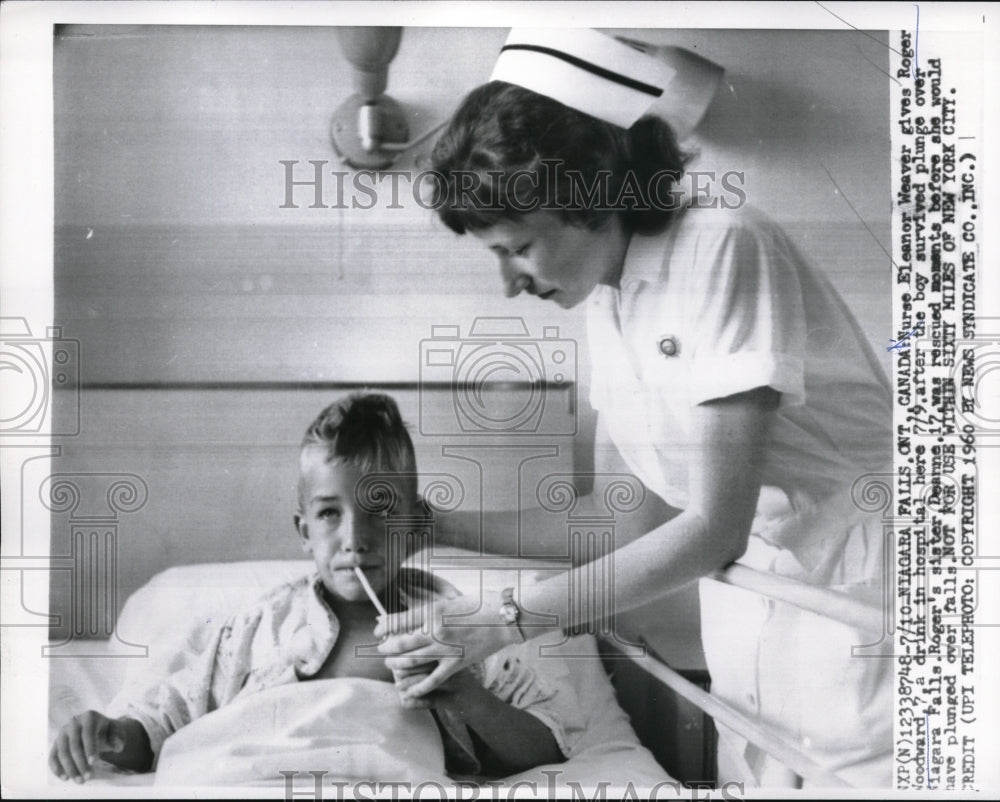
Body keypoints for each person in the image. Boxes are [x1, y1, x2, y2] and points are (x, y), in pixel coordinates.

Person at [377, 29, 893, 787]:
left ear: (586, 197)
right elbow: (628, 519)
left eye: (516, 248)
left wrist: (504, 621)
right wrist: (438, 526)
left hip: (865, 594)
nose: (509, 284)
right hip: (758, 608)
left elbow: (711, 526)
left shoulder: (725, 247)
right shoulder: (609, 301)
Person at [48, 393, 569, 784]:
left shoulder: (456, 623)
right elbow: (168, 720)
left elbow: (546, 745)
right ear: (304, 531)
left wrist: (467, 698)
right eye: (329, 513)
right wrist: (111, 736)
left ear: (415, 523)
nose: (355, 537)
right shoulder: (258, 626)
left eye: (381, 510)